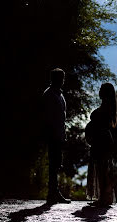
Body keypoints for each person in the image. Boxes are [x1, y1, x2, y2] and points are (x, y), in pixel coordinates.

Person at [40, 68, 71, 204]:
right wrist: (52, 134)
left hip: (58, 133)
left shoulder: (59, 94)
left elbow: (61, 118)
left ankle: (54, 192)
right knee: (54, 164)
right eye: (60, 78)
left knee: (57, 163)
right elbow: (47, 117)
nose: (62, 81)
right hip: (53, 134)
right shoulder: (49, 94)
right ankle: (52, 193)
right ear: (55, 79)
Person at [85, 83, 117, 207]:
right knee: (102, 169)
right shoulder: (107, 107)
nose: (99, 91)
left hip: (102, 141)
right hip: (101, 140)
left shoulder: (106, 108)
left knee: (102, 169)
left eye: (101, 89)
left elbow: (99, 123)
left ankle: (104, 197)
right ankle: (104, 197)